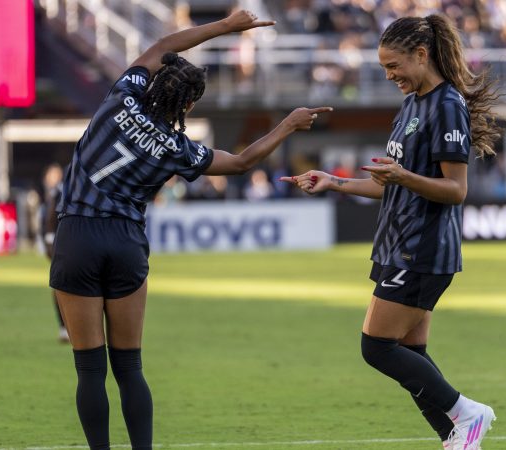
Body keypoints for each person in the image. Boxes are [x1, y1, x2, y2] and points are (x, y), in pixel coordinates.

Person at [49, 10, 332, 450]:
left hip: (77, 236)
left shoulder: (120, 97)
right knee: (129, 368)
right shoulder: (175, 148)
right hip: (125, 243)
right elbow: (240, 163)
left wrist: (224, 27)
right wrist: (288, 125)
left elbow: (163, 48)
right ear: (185, 106)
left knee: (89, 369)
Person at [281, 14, 503, 450]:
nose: (389, 76)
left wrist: (403, 177)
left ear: (421, 56)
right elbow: (388, 182)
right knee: (411, 356)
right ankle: (458, 438)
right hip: (398, 243)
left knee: (376, 347)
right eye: (384, 68)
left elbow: (455, 190)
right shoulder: (411, 105)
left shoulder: (447, 105)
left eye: (394, 66)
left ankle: (466, 412)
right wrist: (335, 182)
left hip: (422, 248)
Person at [39, 163, 69, 343]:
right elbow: (50, 216)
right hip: (61, 243)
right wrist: (50, 240)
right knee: (59, 285)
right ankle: (63, 326)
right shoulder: (60, 190)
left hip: (79, 242)